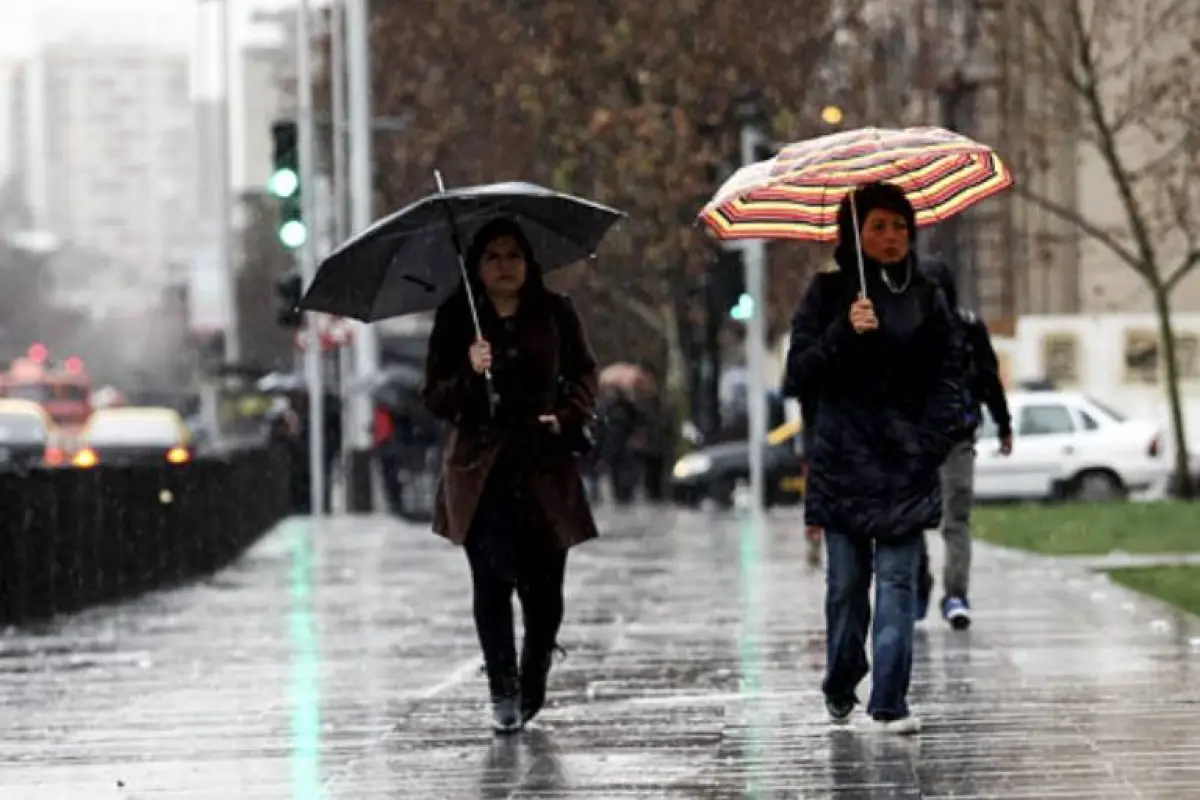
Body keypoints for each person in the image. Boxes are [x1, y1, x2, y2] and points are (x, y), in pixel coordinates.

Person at [783, 182, 967, 734]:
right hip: (842, 466)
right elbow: (798, 375)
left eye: (900, 226)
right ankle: (841, 682)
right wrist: (844, 332)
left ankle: (889, 702)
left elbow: (950, 377)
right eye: (878, 226)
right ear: (854, 234)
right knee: (845, 589)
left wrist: (928, 443)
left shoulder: (928, 297)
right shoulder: (827, 293)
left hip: (905, 467)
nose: (892, 237)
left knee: (897, 584)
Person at [422, 217, 600, 734]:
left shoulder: (556, 311)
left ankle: (534, 669)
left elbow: (584, 373)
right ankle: (502, 687)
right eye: (493, 256)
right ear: (476, 266)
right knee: (492, 580)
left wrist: (567, 416)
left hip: (543, 465)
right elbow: (434, 396)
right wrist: (469, 371)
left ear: (529, 261)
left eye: (514, 255)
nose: (504, 265)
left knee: (545, 591)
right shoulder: (457, 317)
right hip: (481, 472)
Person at [915, 259, 1013, 630]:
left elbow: (988, 378)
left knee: (955, 517)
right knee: (912, 517)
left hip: (957, 436)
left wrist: (1003, 424)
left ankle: (955, 593)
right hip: (916, 439)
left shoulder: (969, 329)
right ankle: (919, 586)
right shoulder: (905, 331)